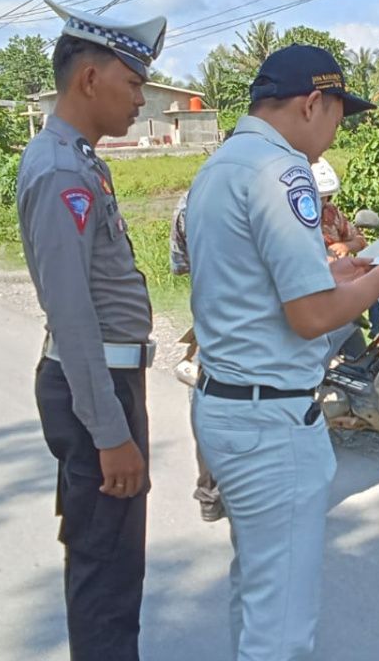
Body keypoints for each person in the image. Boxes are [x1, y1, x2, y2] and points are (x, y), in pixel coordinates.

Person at [186, 44, 379, 661]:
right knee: (283, 630)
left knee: (257, 594)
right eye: (338, 116)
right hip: (270, 425)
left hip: (224, 405)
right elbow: (310, 316)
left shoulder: (222, 165)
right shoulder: (284, 171)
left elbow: (261, 285)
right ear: (313, 101)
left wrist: (343, 268)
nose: (336, 131)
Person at [16, 0, 166, 661]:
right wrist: (111, 434)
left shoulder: (79, 160)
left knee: (114, 568)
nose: (141, 98)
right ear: (89, 79)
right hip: (96, 386)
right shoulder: (59, 171)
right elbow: (72, 313)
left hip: (109, 377)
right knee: (105, 574)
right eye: (132, 82)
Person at [168, 191, 227, 522]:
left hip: (210, 318)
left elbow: (179, 263)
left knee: (206, 401)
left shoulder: (190, 199)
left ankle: (209, 495)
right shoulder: (272, 190)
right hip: (266, 324)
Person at [311, 157, 367, 258]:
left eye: (323, 198)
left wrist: (346, 246)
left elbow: (360, 241)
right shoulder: (288, 222)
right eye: (313, 198)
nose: (318, 203)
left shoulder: (331, 213)